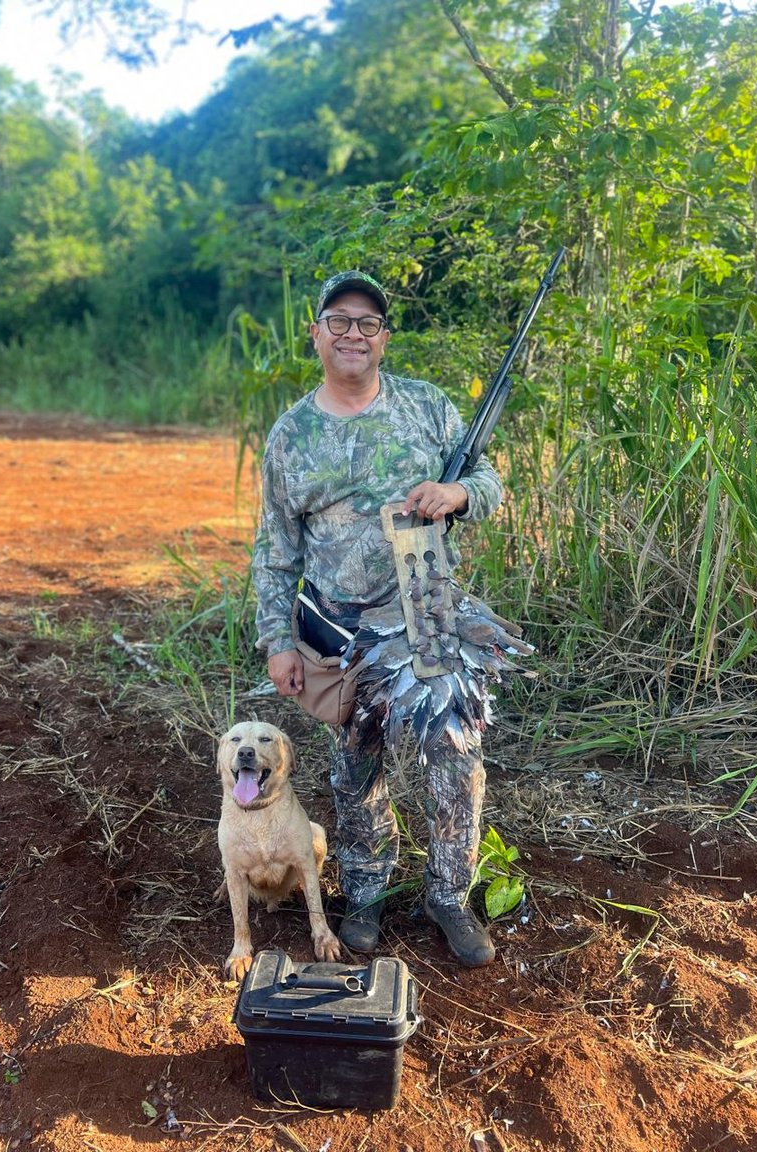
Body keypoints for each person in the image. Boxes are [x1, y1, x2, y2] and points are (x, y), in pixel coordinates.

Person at [251, 270, 504, 967]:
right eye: (340, 320)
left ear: (384, 338)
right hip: (339, 629)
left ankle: (449, 895)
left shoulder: (427, 408)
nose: (353, 334)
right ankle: (365, 893)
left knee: (455, 757)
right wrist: (279, 641)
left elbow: (491, 483)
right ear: (317, 333)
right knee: (356, 765)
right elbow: (274, 551)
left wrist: (456, 492)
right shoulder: (292, 435)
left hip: (425, 613)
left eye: (368, 324)